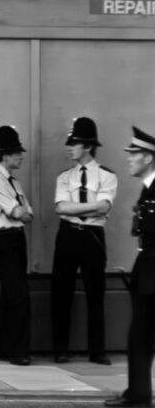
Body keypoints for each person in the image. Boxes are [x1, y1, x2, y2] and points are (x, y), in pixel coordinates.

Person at [50, 117, 117, 365]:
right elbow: (60, 208)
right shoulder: (64, 177)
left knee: (95, 293)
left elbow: (104, 207)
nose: (70, 147)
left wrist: (75, 208)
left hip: (92, 237)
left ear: (87, 146)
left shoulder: (107, 176)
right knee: (61, 292)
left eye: (74, 143)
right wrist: (90, 208)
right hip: (68, 234)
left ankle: (97, 351)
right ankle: (60, 348)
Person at [105, 126, 155, 408]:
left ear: (148, 158)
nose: (129, 158)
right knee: (139, 335)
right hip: (147, 271)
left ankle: (139, 394)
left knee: (141, 334)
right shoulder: (147, 190)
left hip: (152, 272)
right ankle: (138, 393)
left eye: (134, 154)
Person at [0, 125, 33, 366]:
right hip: (4, 239)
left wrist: (19, 213)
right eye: (16, 152)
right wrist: (18, 213)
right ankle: (18, 352)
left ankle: (4, 349)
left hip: (16, 238)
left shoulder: (14, 183)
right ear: (5, 154)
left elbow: (27, 214)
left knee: (10, 294)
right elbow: (19, 212)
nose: (21, 156)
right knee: (19, 295)